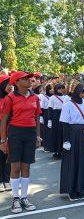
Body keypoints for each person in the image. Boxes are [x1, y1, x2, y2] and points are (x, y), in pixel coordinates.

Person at [0, 71, 42, 213]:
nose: (30, 80)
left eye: (29, 78)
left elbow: (37, 119)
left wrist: (38, 136)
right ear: (16, 82)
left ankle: (24, 197)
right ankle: (15, 199)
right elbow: (4, 120)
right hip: (15, 133)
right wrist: (3, 140)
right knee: (15, 167)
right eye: (25, 78)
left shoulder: (35, 97)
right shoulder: (10, 98)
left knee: (26, 167)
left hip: (30, 134)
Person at [59, 80, 84, 201]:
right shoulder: (67, 104)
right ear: (76, 91)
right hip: (72, 134)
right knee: (72, 161)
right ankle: (71, 189)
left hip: (83, 134)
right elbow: (64, 124)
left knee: (82, 161)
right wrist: (66, 140)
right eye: (82, 91)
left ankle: (80, 188)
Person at [0, 74, 12, 193]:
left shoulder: (11, 98)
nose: (11, 86)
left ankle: (7, 180)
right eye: (8, 84)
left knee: (8, 156)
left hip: (11, 129)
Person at [47, 83, 66, 159]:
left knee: (63, 133)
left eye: (62, 88)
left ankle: (63, 150)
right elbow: (50, 109)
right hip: (56, 115)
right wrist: (49, 120)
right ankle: (57, 151)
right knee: (56, 133)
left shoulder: (66, 97)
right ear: (56, 89)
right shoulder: (52, 98)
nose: (61, 89)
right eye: (59, 88)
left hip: (64, 114)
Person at [39, 84, 53, 152]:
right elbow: (41, 107)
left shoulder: (54, 96)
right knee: (46, 131)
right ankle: (46, 146)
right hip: (46, 113)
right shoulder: (44, 97)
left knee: (52, 131)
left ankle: (51, 146)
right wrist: (41, 116)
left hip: (53, 113)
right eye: (50, 89)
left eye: (52, 89)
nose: (51, 90)